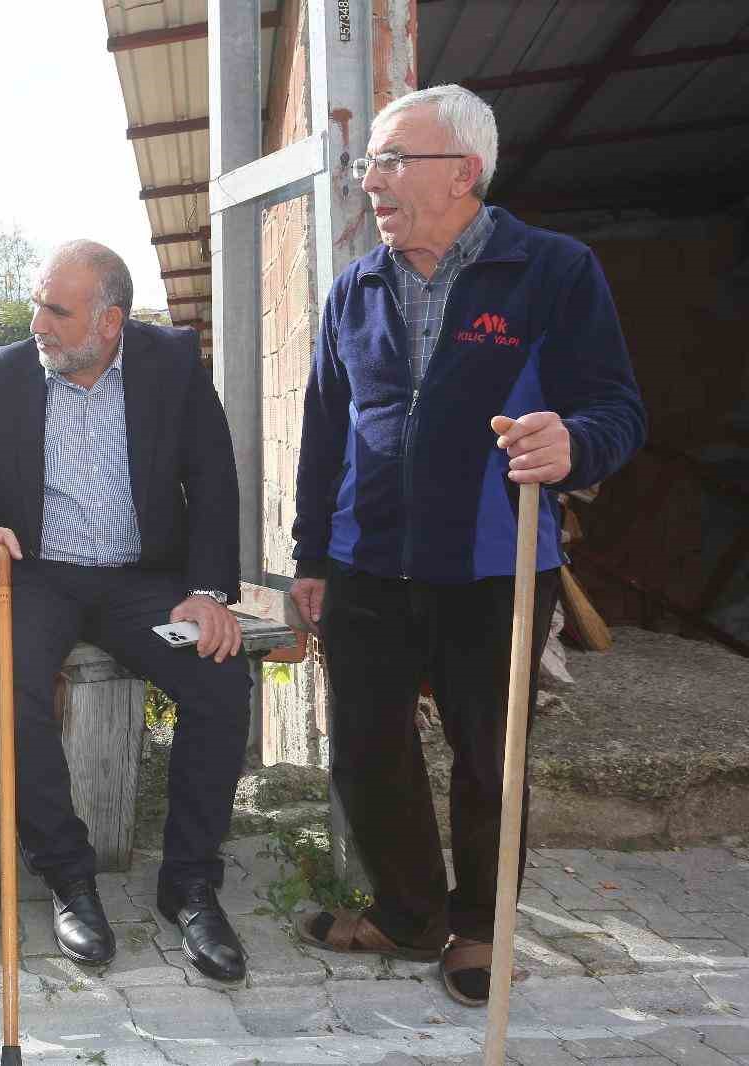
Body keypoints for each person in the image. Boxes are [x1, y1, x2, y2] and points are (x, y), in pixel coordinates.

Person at [288, 84, 645, 1006]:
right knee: (366, 750)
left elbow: (616, 408)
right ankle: (409, 914)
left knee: (490, 758)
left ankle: (480, 926)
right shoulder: (355, 287)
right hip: (368, 564)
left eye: (394, 159)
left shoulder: (552, 270)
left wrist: (574, 442)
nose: (372, 178)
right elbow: (326, 431)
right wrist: (312, 556)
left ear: (465, 174)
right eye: (371, 160)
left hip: (495, 566)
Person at [0, 239, 252, 981]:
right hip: (38, 577)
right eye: (37, 305)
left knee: (220, 678)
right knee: (3, 678)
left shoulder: (171, 363)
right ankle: (67, 876)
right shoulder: (5, 371)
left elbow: (213, 478)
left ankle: (189, 883)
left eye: (58, 309)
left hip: (141, 582)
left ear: (110, 321)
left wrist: (207, 593)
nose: (38, 323)